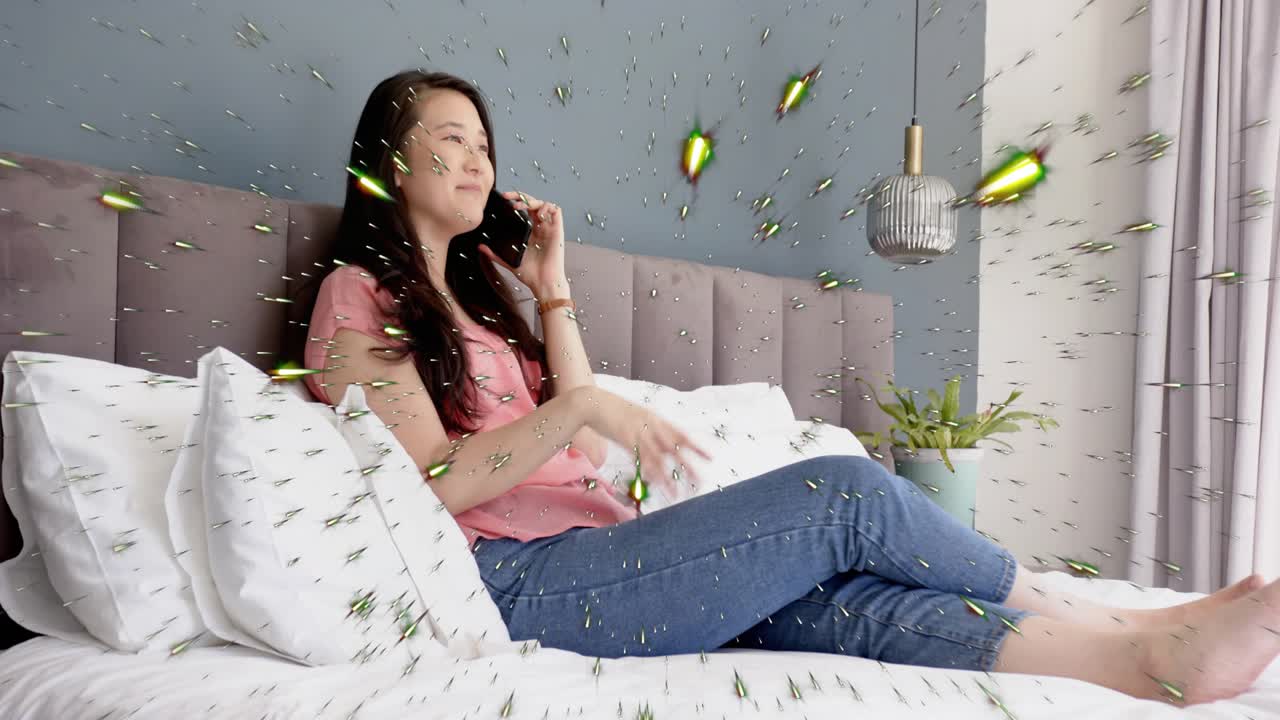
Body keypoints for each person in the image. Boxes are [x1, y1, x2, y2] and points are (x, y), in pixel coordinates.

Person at [299, 68, 1278, 706]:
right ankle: (1115, 617)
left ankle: (1143, 663)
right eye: (450, 138)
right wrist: (580, 405)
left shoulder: (486, 312)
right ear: (389, 158)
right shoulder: (356, 295)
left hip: (604, 559)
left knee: (850, 603)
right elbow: (434, 485)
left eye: (483, 142)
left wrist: (550, 288)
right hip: (517, 590)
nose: (477, 158)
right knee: (839, 493)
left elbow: (586, 458)